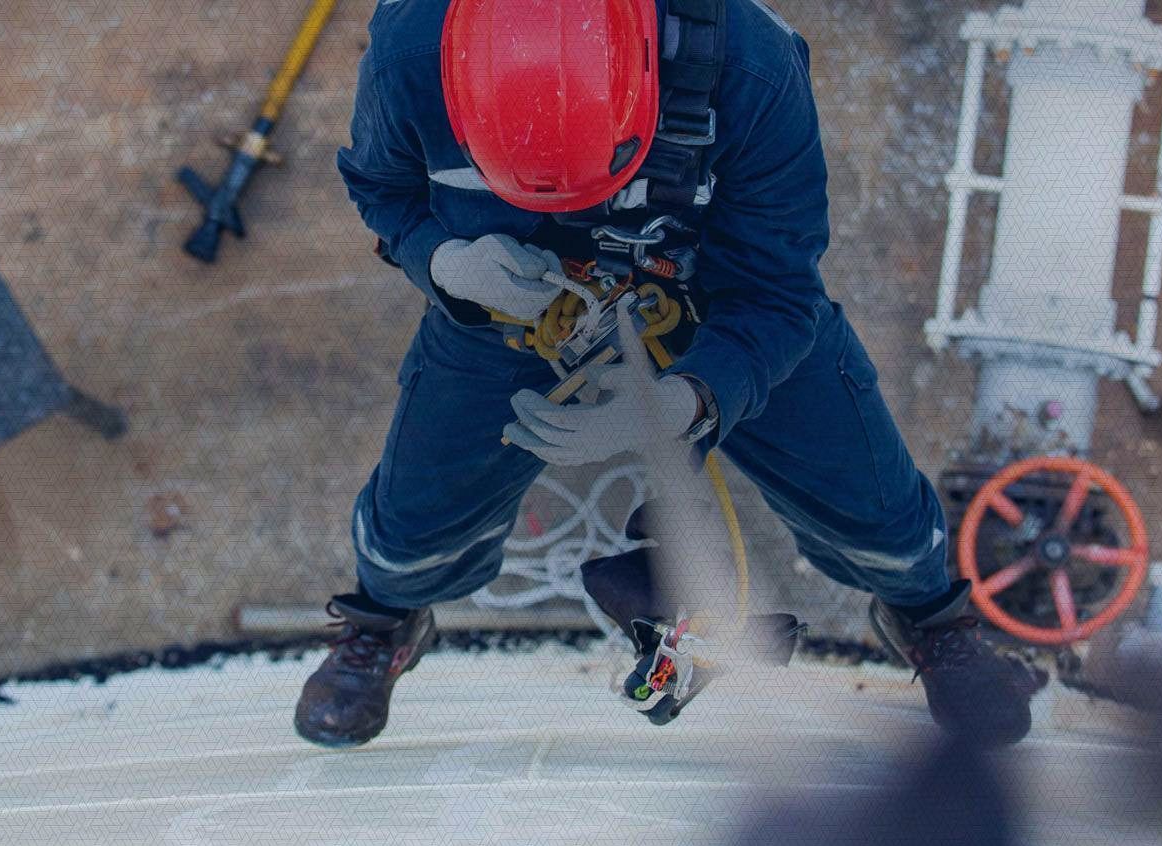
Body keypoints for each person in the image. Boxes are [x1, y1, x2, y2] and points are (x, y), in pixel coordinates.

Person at [297, 0, 1044, 750]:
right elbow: (383, 190)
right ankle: (387, 618)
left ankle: (926, 614)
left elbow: (780, 294)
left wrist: (691, 398)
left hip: (725, 304)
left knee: (872, 503)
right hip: (511, 307)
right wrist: (443, 263)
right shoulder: (411, 49)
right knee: (415, 520)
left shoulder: (752, 66)